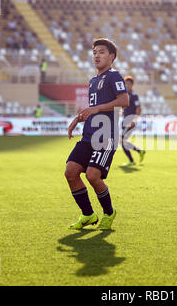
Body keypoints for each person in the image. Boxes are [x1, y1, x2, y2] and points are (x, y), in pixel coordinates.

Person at [65, 38, 129, 230]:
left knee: (93, 175)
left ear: (112, 56)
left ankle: (109, 212)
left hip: (106, 136)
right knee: (71, 172)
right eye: (94, 52)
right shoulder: (93, 81)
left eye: (101, 52)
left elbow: (124, 100)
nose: (97, 55)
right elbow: (94, 109)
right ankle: (88, 215)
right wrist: (79, 117)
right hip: (88, 135)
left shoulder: (114, 76)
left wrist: (97, 108)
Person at [120, 76, 145, 166]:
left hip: (130, 121)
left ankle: (132, 160)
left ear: (132, 85)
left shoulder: (134, 96)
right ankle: (139, 151)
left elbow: (139, 109)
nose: (127, 85)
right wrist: (122, 112)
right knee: (123, 141)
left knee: (122, 141)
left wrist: (134, 120)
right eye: (126, 83)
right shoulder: (125, 94)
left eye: (129, 83)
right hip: (125, 120)